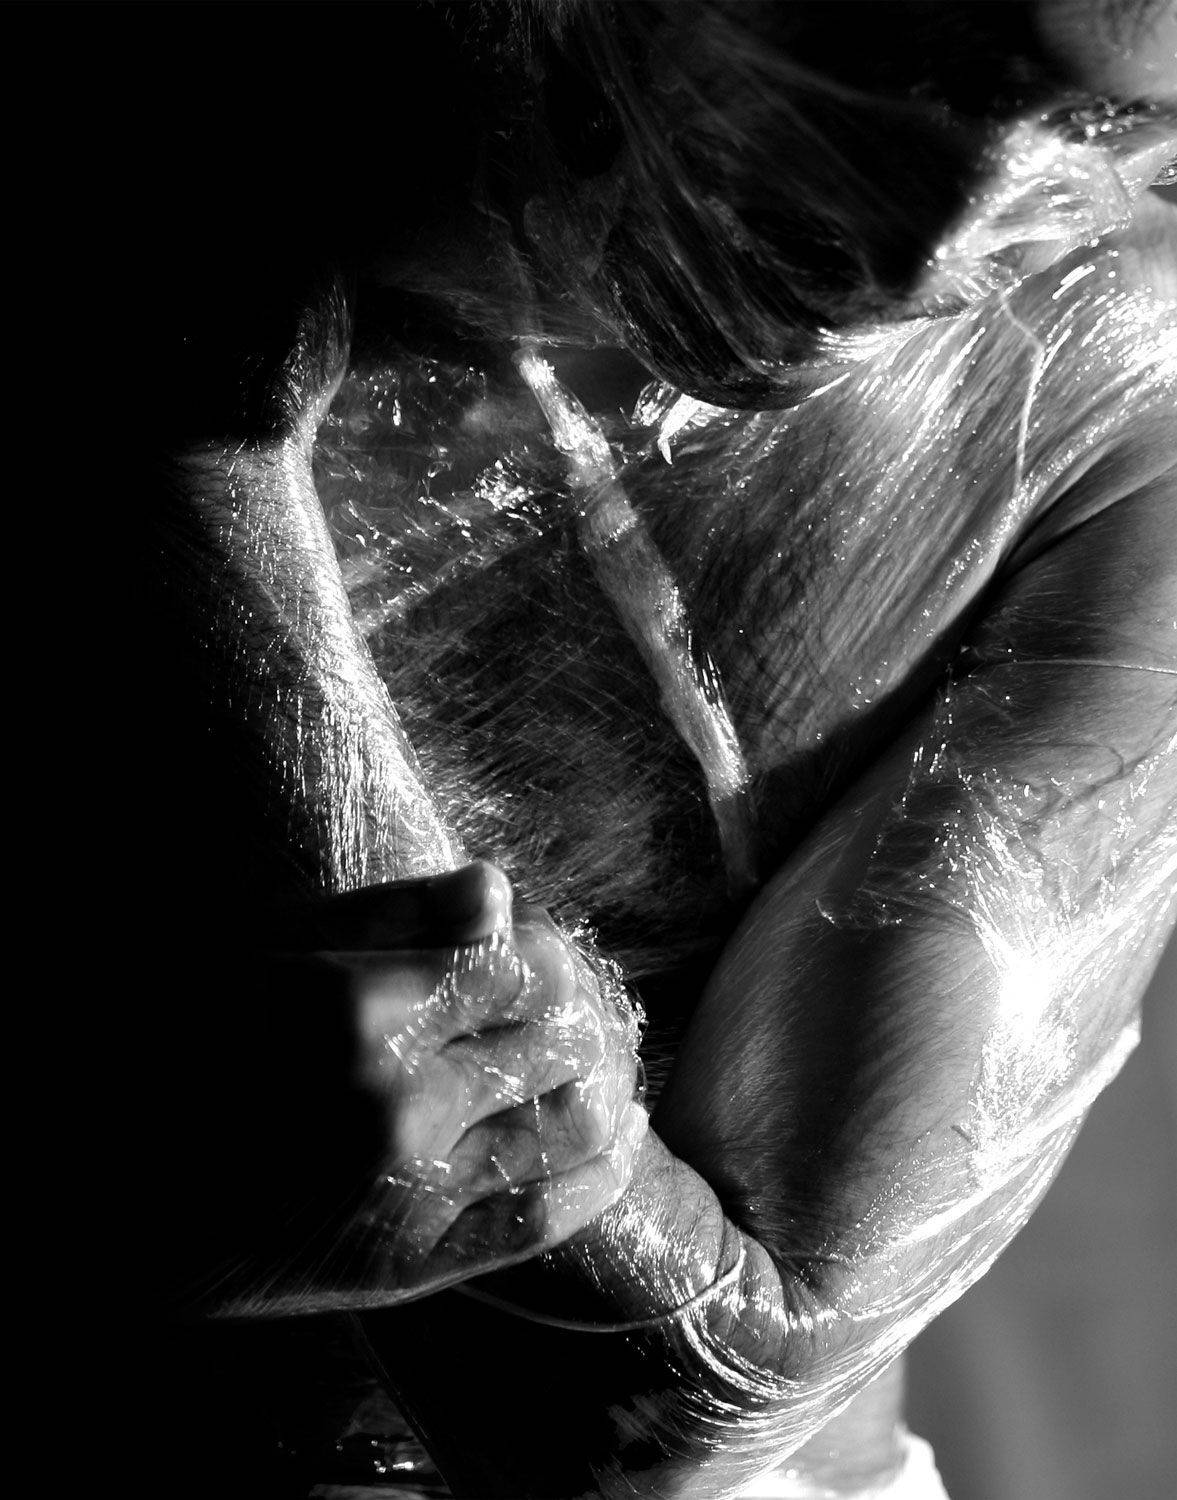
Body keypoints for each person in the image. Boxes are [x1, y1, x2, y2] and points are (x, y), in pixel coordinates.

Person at [147, 3, 1176, 1495]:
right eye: (904, 70)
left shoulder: (1113, 402)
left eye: (1103, 128)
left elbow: (675, 1414)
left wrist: (206, 471)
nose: (931, 252)